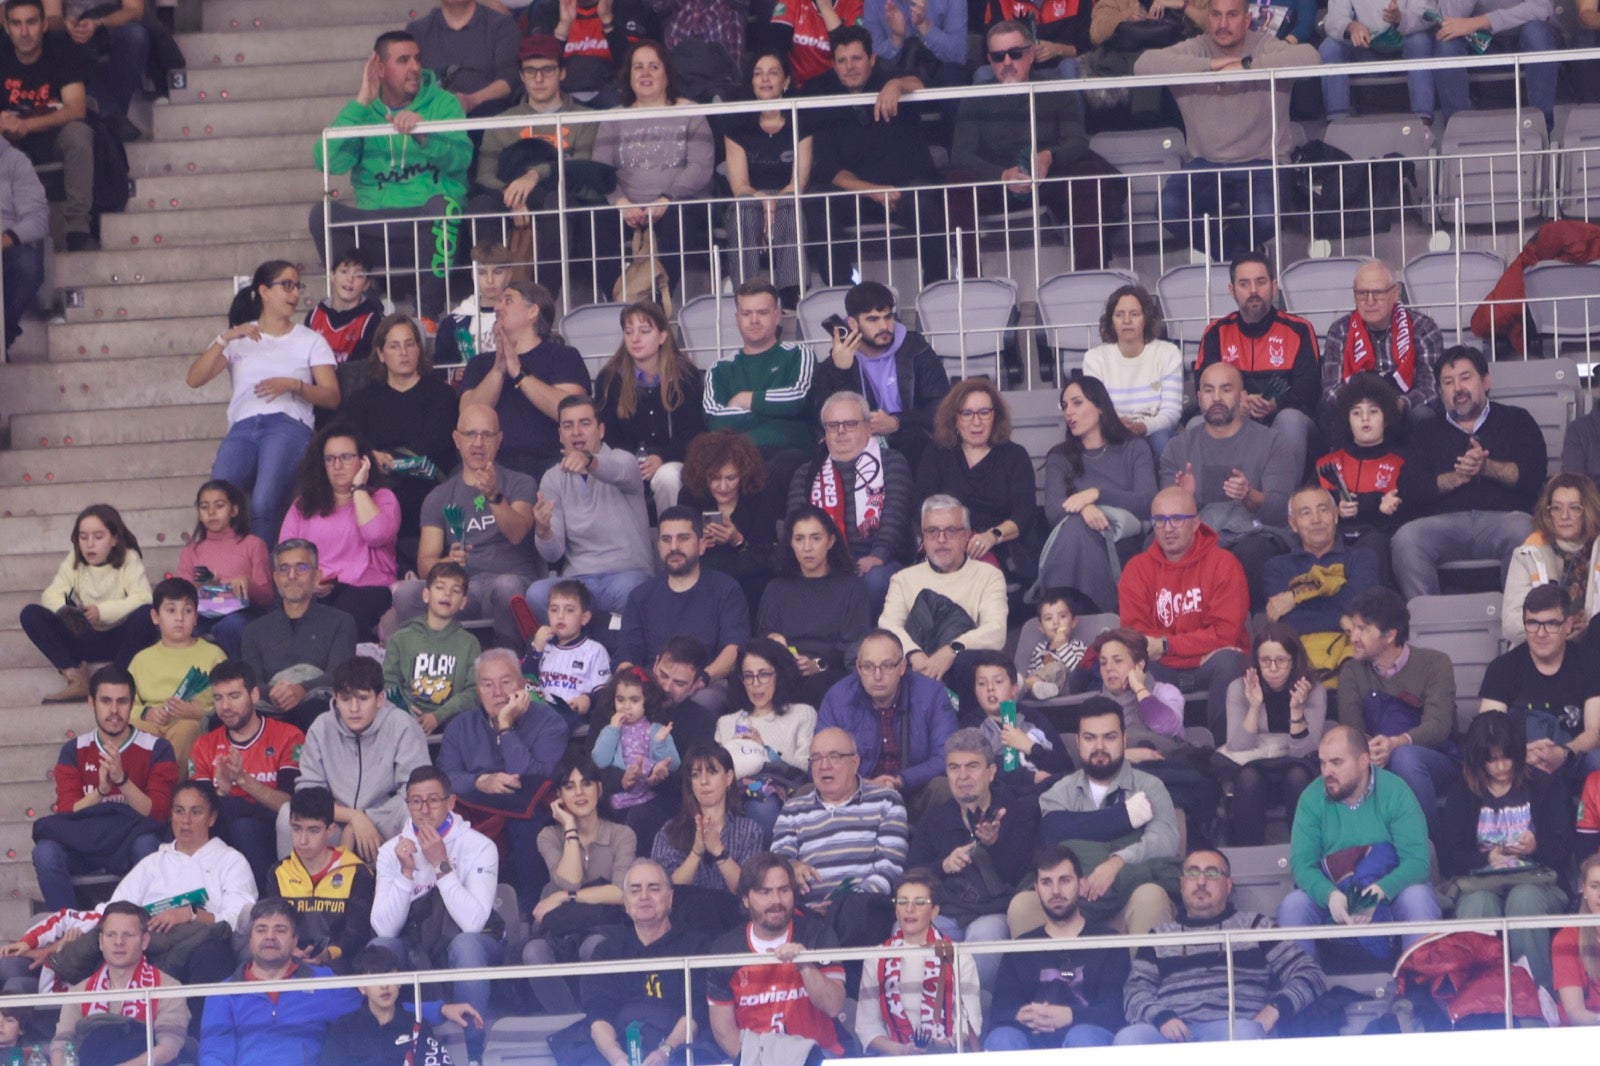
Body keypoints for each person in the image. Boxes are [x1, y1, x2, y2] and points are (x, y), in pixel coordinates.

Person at [1134, 0, 1318, 261]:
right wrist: (1211, 67)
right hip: (1206, 163)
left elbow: (1310, 56)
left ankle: (1235, 260)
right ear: (1207, 18)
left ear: (1246, 19)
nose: (1222, 24)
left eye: (1231, 15)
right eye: (1216, 15)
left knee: (1268, 215)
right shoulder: (1197, 49)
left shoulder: (1263, 44)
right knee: (1168, 208)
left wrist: (1244, 67)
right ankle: (1241, 258)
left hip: (1264, 162)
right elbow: (1143, 64)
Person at [205, 897, 481, 1066]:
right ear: (250, 938)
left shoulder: (324, 983)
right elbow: (215, 1054)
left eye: (280, 930)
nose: (270, 937)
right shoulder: (224, 993)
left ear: (294, 940)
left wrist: (439, 1010)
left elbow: (375, 1002)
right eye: (261, 930)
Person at [309, 30, 471, 317]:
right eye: (404, 60)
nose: (416, 68)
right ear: (380, 68)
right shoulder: (363, 111)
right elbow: (327, 161)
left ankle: (428, 316)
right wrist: (360, 102)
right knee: (322, 214)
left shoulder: (443, 103)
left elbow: (462, 159)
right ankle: (364, 310)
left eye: (418, 59)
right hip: (377, 225)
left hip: (426, 222)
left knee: (445, 205)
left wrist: (426, 135)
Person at [186, 261, 342, 541]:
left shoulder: (310, 340)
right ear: (264, 292)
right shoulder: (241, 337)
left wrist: (294, 385)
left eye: (297, 286)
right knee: (216, 499)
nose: (294, 293)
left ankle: (263, 577)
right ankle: (218, 573)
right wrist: (224, 339)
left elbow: (331, 396)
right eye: (286, 285)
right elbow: (194, 379)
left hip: (288, 425)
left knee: (262, 503)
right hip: (243, 427)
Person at [948, 20, 1120, 272]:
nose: (1007, 63)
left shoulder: (1056, 89)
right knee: (958, 181)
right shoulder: (976, 97)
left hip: (1048, 179)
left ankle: (1090, 274)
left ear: (1030, 54)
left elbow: (1078, 142)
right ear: (989, 60)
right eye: (998, 57)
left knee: (1089, 173)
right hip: (998, 184)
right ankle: (970, 278)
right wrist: (1000, 175)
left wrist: (1050, 156)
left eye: (1015, 54)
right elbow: (961, 155)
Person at [1115, 848, 1327, 1044]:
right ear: (1181, 885)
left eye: (1213, 873)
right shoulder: (1159, 936)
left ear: (1228, 885)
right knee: (1129, 1038)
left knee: (1246, 1033)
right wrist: (1161, 1018)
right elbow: (1135, 990)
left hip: (1234, 1030)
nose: (1200, 881)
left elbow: (1310, 974)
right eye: (1192, 873)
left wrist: (1274, 1010)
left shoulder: (1255, 927)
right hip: (1171, 1034)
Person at [1277, 724, 1441, 963]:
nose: (1327, 771)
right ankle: (1301, 988)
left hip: (1388, 889)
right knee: (1294, 904)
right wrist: (1329, 895)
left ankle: (1418, 989)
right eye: (1323, 763)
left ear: (1364, 761)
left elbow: (1417, 862)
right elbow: (1302, 865)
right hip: (1334, 894)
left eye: (1336, 762)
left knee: (1418, 897)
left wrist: (1379, 892)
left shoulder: (1396, 791)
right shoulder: (1312, 798)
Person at [1392, 345, 1545, 598]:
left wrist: (1486, 467)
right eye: (1448, 382)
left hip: (1503, 520)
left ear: (1486, 382)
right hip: (1443, 524)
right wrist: (1457, 477)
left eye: (1466, 377)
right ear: (1440, 392)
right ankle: (1428, 627)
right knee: (1406, 539)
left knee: (1526, 530)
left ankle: (1520, 625)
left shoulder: (1517, 420)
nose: (1458, 388)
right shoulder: (1426, 429)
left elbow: (1533, 475)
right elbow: (1409, 487)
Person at [368, 765, 502, 1049]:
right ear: (407, 805)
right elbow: (384, 929)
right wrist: (406, 873)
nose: (424, 810)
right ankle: (389, 1046)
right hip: (416, 945)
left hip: (470, 945)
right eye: (416, 801)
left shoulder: (479, 846)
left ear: (451, 802)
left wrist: (441, 866)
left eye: (433, 800)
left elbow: (474, 923)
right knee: (381, 947)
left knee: (467, 945)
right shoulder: (392, 851)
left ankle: (473, 1048)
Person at [802, 26, 948, 286]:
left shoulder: (889, 79)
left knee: (925, 202)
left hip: (903, 190)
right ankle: (844, 292)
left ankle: (936, 290)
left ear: (871, 59)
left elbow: (923, 86)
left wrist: (898, 85)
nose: (850, 67)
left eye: (856, 58)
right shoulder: (822, 97)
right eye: (842, 61)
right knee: (817, 204)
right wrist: (873, 191)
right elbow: (832, 171)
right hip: (857, 195)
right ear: (834, 65)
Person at [387, 403, 541, 649]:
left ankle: (509, 663)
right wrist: (447, 562)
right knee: (406, 594)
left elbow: (517, 533)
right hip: (460, 587)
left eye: (487, 435)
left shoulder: (521, 483)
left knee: (507, 587)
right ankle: (434, 662)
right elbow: (425, 564)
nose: (478, 442)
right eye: (470, 434)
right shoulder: (439, 496)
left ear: (499, 440)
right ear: (457, 440)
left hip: (509, 582)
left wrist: (494, 496)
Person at [1439, 710, 1572, 989]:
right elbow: (1449, 856)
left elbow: (1563, 846)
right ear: (1478, 761)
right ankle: (1477, 1003)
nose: (1501, 767)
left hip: (1540, 884)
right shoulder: (1463, 792)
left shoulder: (1544, 784)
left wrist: (1535, 846)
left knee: (1523, 900)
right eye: (1491, 759)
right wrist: (1487, 857)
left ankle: (1536, 1003)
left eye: (1506, 756)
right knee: (1478, 905)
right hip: (1480, 886)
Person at [1028, 698, 1180, 937]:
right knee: (1022, 905)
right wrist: (1124, 820)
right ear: (1077, 742)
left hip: (1129, 900)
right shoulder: (1058, 792)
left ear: (1124, 740)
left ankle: (1144, 976)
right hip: (1068, 911)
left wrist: (1116, 862)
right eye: (1090, 738)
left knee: (1151, 897)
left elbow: (1165, 842)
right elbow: (1051, 840)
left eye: (1109, 737)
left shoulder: (1150, 786)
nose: (1099, 747)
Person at [32, 665, 175, 911]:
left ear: (132, 704)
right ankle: (67, 929)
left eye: (122, 701)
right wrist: (101, 791)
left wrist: (122, 781)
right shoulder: (73, 749)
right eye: (105, 701)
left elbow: (158, 813)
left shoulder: (158, 748)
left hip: (130, 841)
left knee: (148, 844)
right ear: (91, 702)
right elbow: (67, 813)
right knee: (45, 852)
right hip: (85, 842)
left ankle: (145, 924)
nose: (114, 710)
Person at [438, 647, 568, 907]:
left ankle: (529, 914)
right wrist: (479, 781)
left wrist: (506, 727)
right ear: (477, 690)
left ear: (522, 685)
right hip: (476, 808)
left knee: (527, 828)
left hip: (529, 811)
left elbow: (533, 778)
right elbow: (444, 778)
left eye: (505, 682)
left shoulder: (550, 723)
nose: (497, 693)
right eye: (487, 685)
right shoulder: (460, 726)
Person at [906, 728, 1041, 979]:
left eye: (972, 766)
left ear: (991, 772)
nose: (963, 776)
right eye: (954, 768)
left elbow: (1024, 873)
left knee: (983, 940)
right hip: (946, 913)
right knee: (907, 933)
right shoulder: (934, 819)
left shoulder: (1017, 811)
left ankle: (974, 1015)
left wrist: (995, 844)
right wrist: (943, 866)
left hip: (994, 913)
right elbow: (911, 877)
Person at [1160, 361, 1297, 608]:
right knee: (1156, 545)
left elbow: (1280, 512)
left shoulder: (1273, 442)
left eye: (1226, 389)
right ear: (1199, 397)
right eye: (1209, 390)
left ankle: (1252, 630)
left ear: (1243, 396)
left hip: (1255, 534)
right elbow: (1165, 515)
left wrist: (1249, 495)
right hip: (1198, 533)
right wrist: (1186, 500)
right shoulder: (1177, 448)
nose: (1217, 398)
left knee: (1253, 551)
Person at [585, 40, 715, 297]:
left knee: (677, 222)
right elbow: (600, 168)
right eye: (638, 67)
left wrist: (667, 198)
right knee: (594, 222)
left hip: (676, 203)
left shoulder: (691, 113)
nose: (645, 73)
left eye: (653, 67)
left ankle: (658, 301)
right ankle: (618, 298)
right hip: (625, 206)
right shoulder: (613, 116)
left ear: (667, 75)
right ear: (629, 76)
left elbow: (700, 166)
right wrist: (621, 202)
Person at [1118, 486, 1249, 740]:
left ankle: (1226, 754)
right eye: (1160, 521)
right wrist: (1194, 654)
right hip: (1164, 667)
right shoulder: (1137, 569)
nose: (1168, 528)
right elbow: (1137, 638)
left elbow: (1226, 633)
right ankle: (1152, 754)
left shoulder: (1224, 564)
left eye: (1177, 519)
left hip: (1209, 665)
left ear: (1196, 523)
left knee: (1229, 662)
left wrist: (1166, 645)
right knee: (1129, 668)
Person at [470, 36, 600, 292]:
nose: (538, 79)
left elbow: (581, 169)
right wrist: (514, 199)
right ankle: (490, 295)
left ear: (562, 73)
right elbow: (484, 176)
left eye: (547, 70)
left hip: (562, 195)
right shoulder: (503, 121)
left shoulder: (585, 118)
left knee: (557, 202)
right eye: (531, 71)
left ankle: (544, 301)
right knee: (481, 204)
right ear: (521, 75)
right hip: (511, 198)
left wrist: (533, 176)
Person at [102, 781, 257, 987]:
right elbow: (115, 909)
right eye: (179, 811)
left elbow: (239, 920)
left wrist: (191, 914)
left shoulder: (231, 861)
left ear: (212, 818)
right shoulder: (153, 863)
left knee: (212, 953)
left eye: (196, 812)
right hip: (152, 953)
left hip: (204, 953)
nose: (185, 821)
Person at [279, 656, 431, 863]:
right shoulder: (321, 728)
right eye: (345, 699)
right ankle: (294, 888)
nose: (354, 708)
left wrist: (368, 818)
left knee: (417, 809)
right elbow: (309, 794)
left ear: (379, 699)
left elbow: (415, 792)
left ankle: (416, 886)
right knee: (287, 814)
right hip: (336, 822)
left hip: (387, 822)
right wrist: (353, 817)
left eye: (362, 698)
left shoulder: (403, 726)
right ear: (335, 699)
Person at [1337, 587, 1457, 839]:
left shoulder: (1436, 663)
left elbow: (1438, 725)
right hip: (1375, 758)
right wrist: (1371, 750)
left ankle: (1429, 851)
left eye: (1363, 629)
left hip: (1435, 759)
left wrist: (1396, 743)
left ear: (1390, 635)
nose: (1354, 637)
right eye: (1354, 628)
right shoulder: (1351, 672)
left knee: (1404, 757)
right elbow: (1352, 728)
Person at [984, 843, 1130, 1051]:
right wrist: (1021, 1015)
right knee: (1002, 1037)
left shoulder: (1109, 942)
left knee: (1083, 1035)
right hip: (1031, 1044)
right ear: (1036, 889)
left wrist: (1070, 1015)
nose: (1055, 891)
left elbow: (1117, 1009)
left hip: (1088, 1041)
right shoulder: (1021, 948)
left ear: (1080, 885)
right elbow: (1000, 1011)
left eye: (1064, 880)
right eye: (1046, 882)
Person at [770, 727, 909, 943]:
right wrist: (792, 867)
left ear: (855, 762)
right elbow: (777, 862)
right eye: (816, 758)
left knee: (856, 912)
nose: (824, 766)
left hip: (864, 910)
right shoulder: (793, 808)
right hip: (809, 913)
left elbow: (889, 870)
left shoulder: (886, 801)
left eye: (834, 757)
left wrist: (842, 903)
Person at [1193, 251, 1322, 482]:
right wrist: (1235, 404)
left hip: (1287, 418)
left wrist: (1276, 403)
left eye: (1261, 282)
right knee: (1197, 423)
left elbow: (1309, 388)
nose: (1253, 290)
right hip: (1235, 417)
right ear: (1232, 290)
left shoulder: (1299, 329)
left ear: (1273, 286)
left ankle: (1282, 505)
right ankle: (1217, 505)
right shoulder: (1216, 332)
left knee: (1290, 419)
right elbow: (1203, 386)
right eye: (1244, 283)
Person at [523, 754, 637, 1013]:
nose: (579, 793)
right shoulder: (549, 835)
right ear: (559, 796)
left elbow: (620, 893)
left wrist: (564, 897)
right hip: (561, 928)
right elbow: (570, 880)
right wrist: (570, 827)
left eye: (586, 783)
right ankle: (569, 1022)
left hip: (605, 925)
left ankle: (597, 1018)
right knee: (533, 952)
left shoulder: (622, 834)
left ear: (599, 788)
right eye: (569, 786)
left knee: (593, 948)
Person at [566, 859, 708, 1066]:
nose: (643, 897)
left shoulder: (697, 947)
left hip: (680, 1051)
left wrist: (665, 1052)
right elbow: (598, 1014)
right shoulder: (607, 951)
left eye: (653, 888)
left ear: (670, 898)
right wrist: (616, 1058)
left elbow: (697, 1011)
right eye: (635, 890)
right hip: (616, 1053)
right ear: (625, 902)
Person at [706, 854, 848, 1058]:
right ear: (746, 899)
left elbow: (833, 1006)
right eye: (765, 892)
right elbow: (724, 1031)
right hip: (755, 1061)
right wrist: (756, 1061)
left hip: (818, 1057)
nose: (776, 901)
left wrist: (805, 964)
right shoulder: (724, 948)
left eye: (784, 890)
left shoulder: (817, 933)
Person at [1037, 375, 1157, 612]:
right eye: (1064, 406)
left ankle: (1063, 614)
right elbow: (1053, 512)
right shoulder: (1059, 457)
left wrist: (1097, 495)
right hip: (1076, 542)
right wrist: (1084, 508)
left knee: (1075, 532)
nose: (1069, 412)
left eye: (1077, 403)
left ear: (1100, 406)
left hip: (1123, 541)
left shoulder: (1134, 448)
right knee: (1074, 528)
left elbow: (1148, 502)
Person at [528, 394, 656, 617]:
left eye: (585, 423)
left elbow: (617, 471)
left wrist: (588, 460)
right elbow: (552, 553)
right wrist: (543, 529)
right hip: (578, 581)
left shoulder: (623, 460)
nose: (576, 432)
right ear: (560, 435)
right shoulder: (552, 477)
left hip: (626, 575)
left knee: (631, 589)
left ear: (601, 430)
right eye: (568, 426)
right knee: (536, 594)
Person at [341, 313, 461, 545]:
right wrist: (371, 456)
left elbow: (439, 447)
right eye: (394, 346)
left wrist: (394, 461)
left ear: (419, 349)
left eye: (409, 344)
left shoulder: (441, 395)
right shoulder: (361, 400)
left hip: (429, 487)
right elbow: (350, 443)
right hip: (377, 488)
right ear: (380, 354)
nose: (403, 353)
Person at [880, 495, 1008, 710]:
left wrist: (951, 650)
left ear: (967, 535)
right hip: (916, 669)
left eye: (951, 531)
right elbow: (888, 625)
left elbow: (995, 631)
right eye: (932, 531)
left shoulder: (989, 575)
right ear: (923, 537)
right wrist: (915, 655)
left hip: (964, 673)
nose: (941, 540)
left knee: (966, 663)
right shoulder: (903, 578)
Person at [615, 507, 752, 707]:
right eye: (666, 539)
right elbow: (627, 652)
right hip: (651, 686)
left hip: (705, 684)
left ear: (702, 545)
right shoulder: (640, 596)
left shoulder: (725, 589)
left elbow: (734, 649)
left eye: (683, 538)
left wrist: (701, 679)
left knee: (702, 701)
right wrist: (633, 686)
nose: (674, 547)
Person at [810, 279, 950, 472]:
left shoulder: (917, 351)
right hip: (859, 443)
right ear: (852, 323)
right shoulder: (836, 363)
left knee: (914, 440)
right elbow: (822, 418)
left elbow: (943, 406)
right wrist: (840, 371)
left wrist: (897, 422)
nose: (884, 326)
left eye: (888, 317)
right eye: (873, 319)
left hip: (911, 438)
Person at [790, 392, 914, 608]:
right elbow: (795, 525)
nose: (840, 431)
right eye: (833, 425)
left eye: (850, 424)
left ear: (868, 428)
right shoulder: (806, 473)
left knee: (873, 581)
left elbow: (896, 516)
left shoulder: (891, 462)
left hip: (880, 559)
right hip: (824, 559)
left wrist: (878, 555)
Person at [21, 503, 156, 701]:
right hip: (85, 635)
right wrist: (66, 612)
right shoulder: (74, 559)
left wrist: (101, 611)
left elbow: (143, 597)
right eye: (83, 538)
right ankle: (76, 677)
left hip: (120, 639)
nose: (89, 544)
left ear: (114, 539)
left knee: (147, 613)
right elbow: (52, 593)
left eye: (98, 537)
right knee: (31, 614)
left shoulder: (129, 558)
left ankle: (117, 676)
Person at [459, 279, 591, 480]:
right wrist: (498, 370)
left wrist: (519, 373)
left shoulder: (563, 356)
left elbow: (569, 410)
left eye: (508, 300)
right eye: (499, 301)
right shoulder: (479, 364)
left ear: (532, 312)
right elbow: (467, 416)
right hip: (495, 466)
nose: (497, 307)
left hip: (554, 463)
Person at [278, 424, 400, 640]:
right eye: (330, 459)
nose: (337, 465)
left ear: (363, 461)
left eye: (345, 457)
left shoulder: (382, 498)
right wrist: (308, 579)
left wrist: (359, 488)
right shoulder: (303, 505)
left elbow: (376, 534)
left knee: (344, 614)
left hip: (368, 588)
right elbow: (286, 553)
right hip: (315, 588)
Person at [188, 659, 303, 887]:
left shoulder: (289, 737)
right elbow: (198, 813)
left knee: (245, 825)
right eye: (218, 698)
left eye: (234, 696)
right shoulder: (204, 745)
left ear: (254, 695)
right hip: (222, 832)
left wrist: (243, 780)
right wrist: (221, 792)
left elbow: (289, 804)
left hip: (273, 831)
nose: (225, 706)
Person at [817, 629, 959, 808]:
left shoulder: (931, 694)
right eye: (868, 666)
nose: (877, 675)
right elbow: (820, 760)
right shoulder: (837, 698)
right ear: (858, 668)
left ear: (902, 667)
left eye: (887, 666)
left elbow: (947, 756)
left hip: (913, 791)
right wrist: (862, 784)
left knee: (943, 788)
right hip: (854, 795)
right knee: (807, 791)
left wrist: (900, 780)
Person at [593, 299, 706, 516]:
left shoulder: (685, 376)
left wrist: (662, 457)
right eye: (628, 332)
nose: (635, 338)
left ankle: (674, 537)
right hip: (626, 463)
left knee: (667, 476)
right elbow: (607, 434)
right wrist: (630, 461)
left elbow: (692, 431)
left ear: (662, 336)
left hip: (674, 460)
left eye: (644, 331)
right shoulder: (609, 379)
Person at [914, 382, 1037, 581]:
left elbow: (1024, 513)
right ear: (955, 419)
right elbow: (922, 506)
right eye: (967, 413)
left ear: (995, 416)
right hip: (945, 542)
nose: (976, 421)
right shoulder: (937, 453)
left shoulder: (1015, 455)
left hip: (998, 545)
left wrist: (993, 535)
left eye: (984, 412)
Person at [1480, 582, 1600, 783]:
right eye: (1533, 623)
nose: (1541, 633)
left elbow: (1594, 733)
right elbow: (1487, 731)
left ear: (1568, 625)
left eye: (1552, 624)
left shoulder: (1590, 662)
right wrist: (1519, 754)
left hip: (1573, 756)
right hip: (1520, 761)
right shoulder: (1502, 667)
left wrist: (1563, 753)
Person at [0, 0, 96, 250]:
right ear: (6, 26)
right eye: (16, 23)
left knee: (79, 134)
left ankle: (77, 228)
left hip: (52, 133)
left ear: (44, 24)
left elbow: (77, 108)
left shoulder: (61, 48)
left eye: (31, 22)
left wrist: (27, 125)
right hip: (8, 138)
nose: (24, 32)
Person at [855, 869, 981, 1054]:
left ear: (935, 911)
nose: (909, 908)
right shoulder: (876, 958)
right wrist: (900, 1050)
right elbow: (867, 1026)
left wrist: (941, 1046)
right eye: (902, 902)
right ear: (896, 911)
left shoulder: (959, 955)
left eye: (920, 902)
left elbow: (969, 1020)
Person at [757, 506, 874, 705]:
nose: (807, 547)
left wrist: (817, 665)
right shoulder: (776, 588)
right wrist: (776, 646)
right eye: (799, 539)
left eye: (816, 538)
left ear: (831, 541)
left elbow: (855, 647)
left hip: (829, 672)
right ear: (790, 543)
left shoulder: (851, 587)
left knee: (818, 685)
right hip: (782, 670)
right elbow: (762, 639)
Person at [1223, 623, 1327, 846]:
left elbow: (1305, 753)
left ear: (1294, 660)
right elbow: (1238, 746)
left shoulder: (1313, 689)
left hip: (1297, 775)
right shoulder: (1238, 688)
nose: (1272, 668)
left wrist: (1297, 710)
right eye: (1265, 661)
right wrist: (1254, 706)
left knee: (1297, 774)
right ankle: (1250, 858)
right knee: (1248, 778)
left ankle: (1306, 854)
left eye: (1280, 660)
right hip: (1256, 775)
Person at [48, 902, 188, 1066]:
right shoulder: (79, 993)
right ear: (101, 941)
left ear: (144, 941)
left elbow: (169, 1046)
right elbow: (61, 1044)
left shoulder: (168, 988)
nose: (119, 942)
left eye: (128, 935)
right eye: (111, 935)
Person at [722, 50, 812, 304]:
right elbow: (739, 186)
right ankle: (746, 294)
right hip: (751, 201)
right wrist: (763, 198)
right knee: (744, 209)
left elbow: (798, 184)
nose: (765, 79)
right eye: (758, 74)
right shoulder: (737, 127)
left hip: (787, 200)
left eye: (773, 73)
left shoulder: (800, 123)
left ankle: (792, 295)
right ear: (751, 82)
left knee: (788, 205)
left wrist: (773, 200)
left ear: (786, 81)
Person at [1260, 484, 1380, 673]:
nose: (1316, 520)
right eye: (1305, 513)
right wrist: (1342, 618)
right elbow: (1286, 624)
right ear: (1293, 523)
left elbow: (1361, 611)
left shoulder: (1362, 558)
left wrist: (1294, 597)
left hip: (1355, 664)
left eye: (1323, 510)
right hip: (1298, 667)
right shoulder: (1277, 567)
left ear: (1335, 515)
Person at [240, 539, 358, 731]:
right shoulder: (253, 631)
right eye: (284, 569)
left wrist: (302, 690)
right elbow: (252, 683)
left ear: (317, 575)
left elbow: (340, 676)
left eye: (301, 567)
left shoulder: (342, 622)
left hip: (319, 711)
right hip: (269, 711)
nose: (292, 575)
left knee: (316, 709)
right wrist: (275, 693)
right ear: (276, 578)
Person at [714, 638, 819, 834]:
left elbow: (806, 768)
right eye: (748, 676)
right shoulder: (727, 722)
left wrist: (765, 751)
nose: (755, 684)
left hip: (783, 792)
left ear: (780, 675)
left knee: (763, 805)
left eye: (763, 675)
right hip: (733, 794)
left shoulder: (802, 714)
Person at [1318, 259, 1444, 421]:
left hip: (1404, 413)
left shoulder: (1422, 327)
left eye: (1378, 293)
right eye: (1362, 293)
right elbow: (1331, 391)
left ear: (1396, 293)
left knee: (1423, 415)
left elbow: (1430, 390)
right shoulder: (1340, 330)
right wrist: (1365, 410)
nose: (1370, 301)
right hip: (1355, 416)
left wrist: (1398, 405)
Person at [652, 744, 766, 923]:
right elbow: (664, 892)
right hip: (685, 926)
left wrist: (719, 852)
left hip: (734, 924)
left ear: (729, 778)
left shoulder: (750, 831)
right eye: (696, 775)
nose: (703, 781)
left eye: (712, 772)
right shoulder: (669, 831)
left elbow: (750, 892)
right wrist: (696, 852)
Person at [1315, 371, 1408, 587]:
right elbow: (1309, 503)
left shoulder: (1402, 463)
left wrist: (1387, 509)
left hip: (1378, 543)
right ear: (1347, 419)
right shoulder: (1326, 464)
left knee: (1374, 546)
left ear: (1387, 417)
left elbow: (1410, 513)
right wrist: (1335, 507)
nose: (1365, 419)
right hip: (1333, 541)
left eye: (1373, 412)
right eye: (1356, 413)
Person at [702, 277, 816, 451]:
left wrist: (745, 399)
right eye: (746, 314)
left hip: (788, 456)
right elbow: (715, 420)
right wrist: (778, 415)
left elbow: (798, 399)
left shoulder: (799, 355)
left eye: (762, 312)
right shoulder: (719, 369)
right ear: (737, 318)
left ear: (777, 316)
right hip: (735, 460)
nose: (754, 320)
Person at [274, 786, 377, 974]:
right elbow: (275, 924)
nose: (303, 840)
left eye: (313, 831)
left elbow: (357, 931)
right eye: (296, 829)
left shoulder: (356, 871)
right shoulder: (278, 872)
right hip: (290, 965)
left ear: (330, 830)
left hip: (342, 966)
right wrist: (290, 950)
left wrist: (329, 954)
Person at [127, 577, 227, 771]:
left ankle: (171, 794)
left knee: (186, 730)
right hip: (152, 721)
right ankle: (144, 795)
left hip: (192, 722)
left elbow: (229, 699)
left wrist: (202, 715)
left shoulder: (214, 655)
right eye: (171, 610)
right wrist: (147, 713)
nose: (179, 618)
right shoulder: (141, 659)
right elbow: (125, 702)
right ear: (155, 616)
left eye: (187, 611)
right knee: (135, 731)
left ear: (196, 617)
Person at [681, 428, 781, 615]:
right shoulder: (690, 496)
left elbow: (765, 555)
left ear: (743, 475)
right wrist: (698, 544)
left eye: (731, 478)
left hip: (749, 576)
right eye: (715, 478)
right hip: (705, 571)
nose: (723, 486)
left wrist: (737, 540)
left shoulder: (760, 496)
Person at [1081, 285, 1185, 456]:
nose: (1127, 320)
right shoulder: (1095, 358)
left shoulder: (1168, 353)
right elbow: (1095, 410)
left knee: (1160, 440)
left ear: (1146, 318)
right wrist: (1117, 426)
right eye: (1119, 315)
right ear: (1111, 321)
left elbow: (1172, 413)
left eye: (1134, 314)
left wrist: (1143, 427)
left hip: (1155, 432)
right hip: (1112, 431)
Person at [315, 946, 460, 1066]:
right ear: (361, 987)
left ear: (400, 980)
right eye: (376, 979)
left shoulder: (419, 1027)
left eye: (390, 977)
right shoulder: (343, 1028)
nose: (385, 986)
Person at [177, 479, 274, 657]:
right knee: (176, 625)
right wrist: (201, 586)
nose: (211, 512)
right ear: (199, 513)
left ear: (234, 510)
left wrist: (247, 584)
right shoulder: (191, 551)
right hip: (203, 612)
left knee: (231, 626)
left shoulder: (253, 544)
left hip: (244, 612)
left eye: (219, 505)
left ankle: (242, 676)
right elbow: (182, 595)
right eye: (204, 507)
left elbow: (267, 597)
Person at [383, 561, 481, 735]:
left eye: (455, 590)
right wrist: (406, 711)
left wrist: (438, 716)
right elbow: (388, 683)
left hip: (451, 721)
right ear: (426, 595)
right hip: (404, 720)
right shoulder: (401, 639)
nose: (447, 594)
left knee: (469, 720)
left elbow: (473, 691)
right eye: (440, 587)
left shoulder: (470, 643)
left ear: (463, 602)